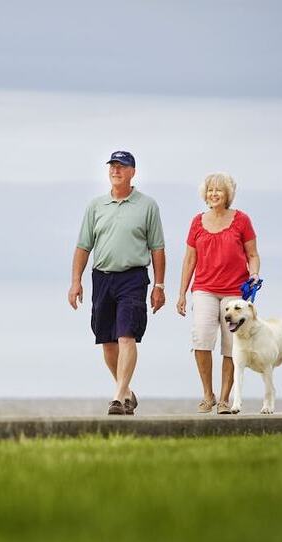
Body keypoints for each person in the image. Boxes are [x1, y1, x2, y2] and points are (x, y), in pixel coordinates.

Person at [68, 150, 166, 415]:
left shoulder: (147, 206)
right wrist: (75, 281)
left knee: (126, 335)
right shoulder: (95, 206)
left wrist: (159, 286)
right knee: (108, 340)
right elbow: (83, 246)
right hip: (102, 278)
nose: (115, 170)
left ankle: (118, 397)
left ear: (132, 172)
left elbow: (157, 248)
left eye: (121, 167)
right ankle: (126, 392)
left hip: (133, 278)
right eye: (112, 166)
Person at [176, 172, 260, 414]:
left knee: (230, 346)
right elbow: (189, 259)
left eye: (219, 190)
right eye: (210, 190)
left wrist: (253, 274)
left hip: (235, 291)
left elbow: (252, 254)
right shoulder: (197, 222)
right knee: (201, 338)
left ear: (228, 195)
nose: (214, 194)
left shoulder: (241, 220)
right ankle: (208, 395)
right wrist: (181, 294)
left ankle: (224, 399)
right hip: (204, 289)